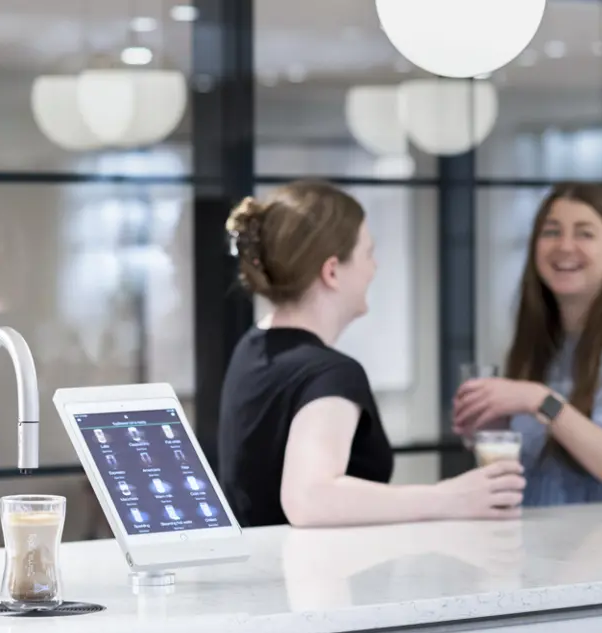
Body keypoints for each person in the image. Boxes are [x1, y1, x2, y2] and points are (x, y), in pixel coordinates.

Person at [218, 180, 524, 528]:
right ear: (332, 271)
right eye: (367, 253)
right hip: (309, 580)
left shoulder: (251, 347)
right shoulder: (331, 374)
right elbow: (309, 499)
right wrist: (451, 497)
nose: (374, 268)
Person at [453, 181, 602, 506]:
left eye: (585, 233)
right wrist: (494, 425)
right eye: (551, 232)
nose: (564, 246)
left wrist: (539, 400)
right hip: (537, 547)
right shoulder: (539, 343)